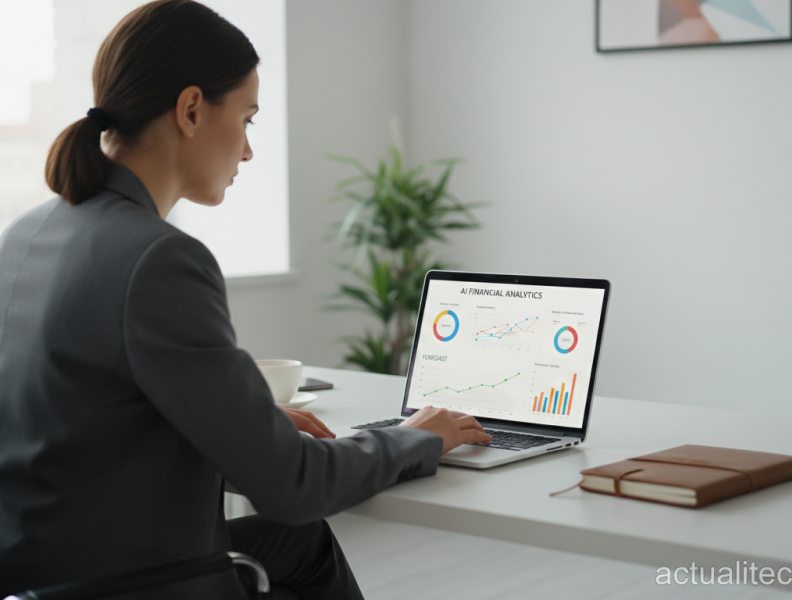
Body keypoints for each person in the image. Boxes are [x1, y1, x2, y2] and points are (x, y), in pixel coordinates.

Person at [0, 1, 491, 599]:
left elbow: (79, 416)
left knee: (302, 544)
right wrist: (420, 435)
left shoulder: (25, 234)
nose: (249, 151)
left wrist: (240, 424)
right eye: (249, 119)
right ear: (190, 110)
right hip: (130, 583)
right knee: (299, 523)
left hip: (36, 572)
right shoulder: (160, 259)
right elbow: (291, 486)